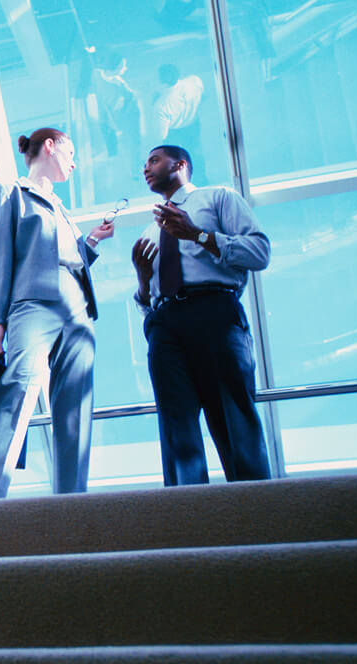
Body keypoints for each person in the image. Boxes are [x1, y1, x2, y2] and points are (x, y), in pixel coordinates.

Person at [0, 127, 114, 499]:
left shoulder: (63, 210)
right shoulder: (11, 192)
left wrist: (92, 241)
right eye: (70, 153)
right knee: (18, 391)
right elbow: (0, 257)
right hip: (32, 303)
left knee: (75, 407)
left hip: (77, 307)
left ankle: (71, 504)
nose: (75, 162)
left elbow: (70, 259)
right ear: (49, 147)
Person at [131, 144, 271, 485]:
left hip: (215, 314)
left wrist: (197, 234)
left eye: (153, 160)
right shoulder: (151, 229)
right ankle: (188, 518)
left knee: (232, 416)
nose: (145, 168)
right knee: (176, 427)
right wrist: (143, 280)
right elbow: (146, 300)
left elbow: (259, 252)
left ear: (180, 164)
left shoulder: (218, 198)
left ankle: (260, 514)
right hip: (164, 325)